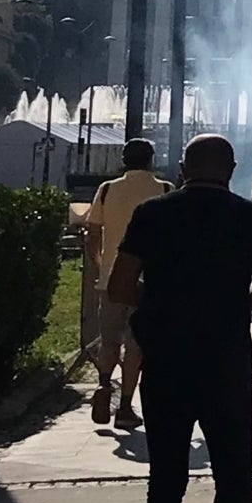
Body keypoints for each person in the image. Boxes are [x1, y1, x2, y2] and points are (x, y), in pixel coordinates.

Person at [106, 134, 252, 503]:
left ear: (182, 170)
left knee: (165, 480)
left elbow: (118, 287)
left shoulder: (151, 213)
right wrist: (231, 303)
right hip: (228, 361)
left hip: (166, 361)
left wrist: (158, 301)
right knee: (235, 475)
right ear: (232, 171)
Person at [86, 138, 172, 430]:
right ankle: (125, 406)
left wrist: (101, 265)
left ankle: (102, 385)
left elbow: (92, 234)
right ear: (152, 160)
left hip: (111, 278)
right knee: (135, 345)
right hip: (149, 282)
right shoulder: (164, 190)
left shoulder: (107, 189)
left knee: (109, 339)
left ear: (124, 160)